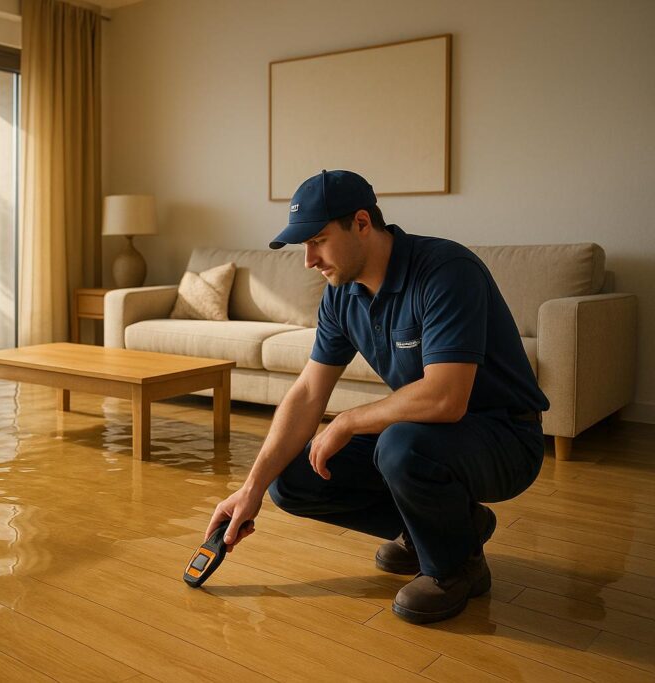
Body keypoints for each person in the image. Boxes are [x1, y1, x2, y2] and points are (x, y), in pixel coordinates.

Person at [204, 169, 549, 624]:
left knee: (400, 444)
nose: (308, 260)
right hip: (431, 436)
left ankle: (454, 568)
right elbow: (308, 391)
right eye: (303, 246)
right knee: (290, 478)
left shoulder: (446, 271)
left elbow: (447, 398)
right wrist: (251, 490)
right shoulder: (341, 295)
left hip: (505, 438)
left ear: (362, 223)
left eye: (318, 241)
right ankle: (449, 527)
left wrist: (346, 421)